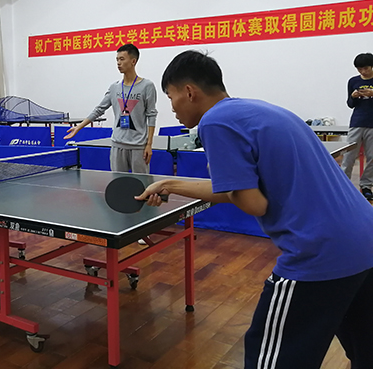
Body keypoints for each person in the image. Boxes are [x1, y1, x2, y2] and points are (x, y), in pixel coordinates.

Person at [137, 50, 373, 369]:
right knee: (366, 351)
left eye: (171, 97)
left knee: (270, 358)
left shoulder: (215, 122)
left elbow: (254, 203)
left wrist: (222, 177)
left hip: (321, 250)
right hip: (365, 239)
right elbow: (245, 189)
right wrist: (170, 184)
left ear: (189, 91)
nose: (173, 108)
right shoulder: (256, 110)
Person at [64, 43, 158, 174]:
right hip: (117, 145)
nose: (118, 63)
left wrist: (149, 145)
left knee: (141, 183)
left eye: (122, 59)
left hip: (138, 146)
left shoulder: (147, 86)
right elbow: (99, 109)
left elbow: (151, 115)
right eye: (117, 59)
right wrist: (78, 127)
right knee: (118, 182)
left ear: (133, 61)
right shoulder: (114, 87)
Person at [340, 52, 373, 201]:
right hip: (357, 122)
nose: (363, 72)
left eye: (365, 68)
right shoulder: (353, 81)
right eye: (359, 69)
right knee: (348, 156)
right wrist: (353, 97)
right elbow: (350, 104)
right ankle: (343, 184)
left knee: (372, 157)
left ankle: (366, 185)